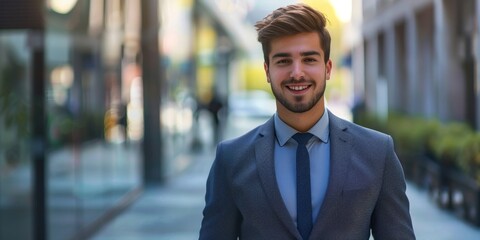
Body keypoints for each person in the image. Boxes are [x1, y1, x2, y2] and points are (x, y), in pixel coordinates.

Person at [199, 3, 415, 240]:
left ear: (328, 68)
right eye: (283, 61)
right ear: (267, 71)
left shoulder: (377, 152)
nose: (297, 72)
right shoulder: (231, 159)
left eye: (309, 59)